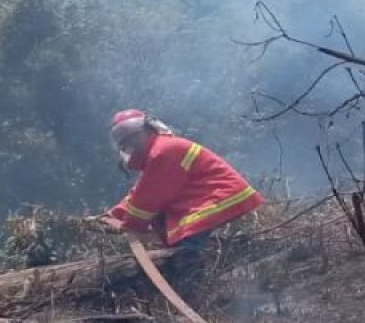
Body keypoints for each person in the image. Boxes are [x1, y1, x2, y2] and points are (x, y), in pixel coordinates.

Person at [98, 109, 263, 255]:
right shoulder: (157, 155)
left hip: (220, 195)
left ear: (149, 130)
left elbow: (149, 197)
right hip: (207, 197)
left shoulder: (163, 151)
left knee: (185, 252)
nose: (131, 144)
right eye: (126, 142)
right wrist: (112, 215)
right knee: (179, 241)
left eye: (134, 137)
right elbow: (140, 192)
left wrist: (131, 224)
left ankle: (190, 271)